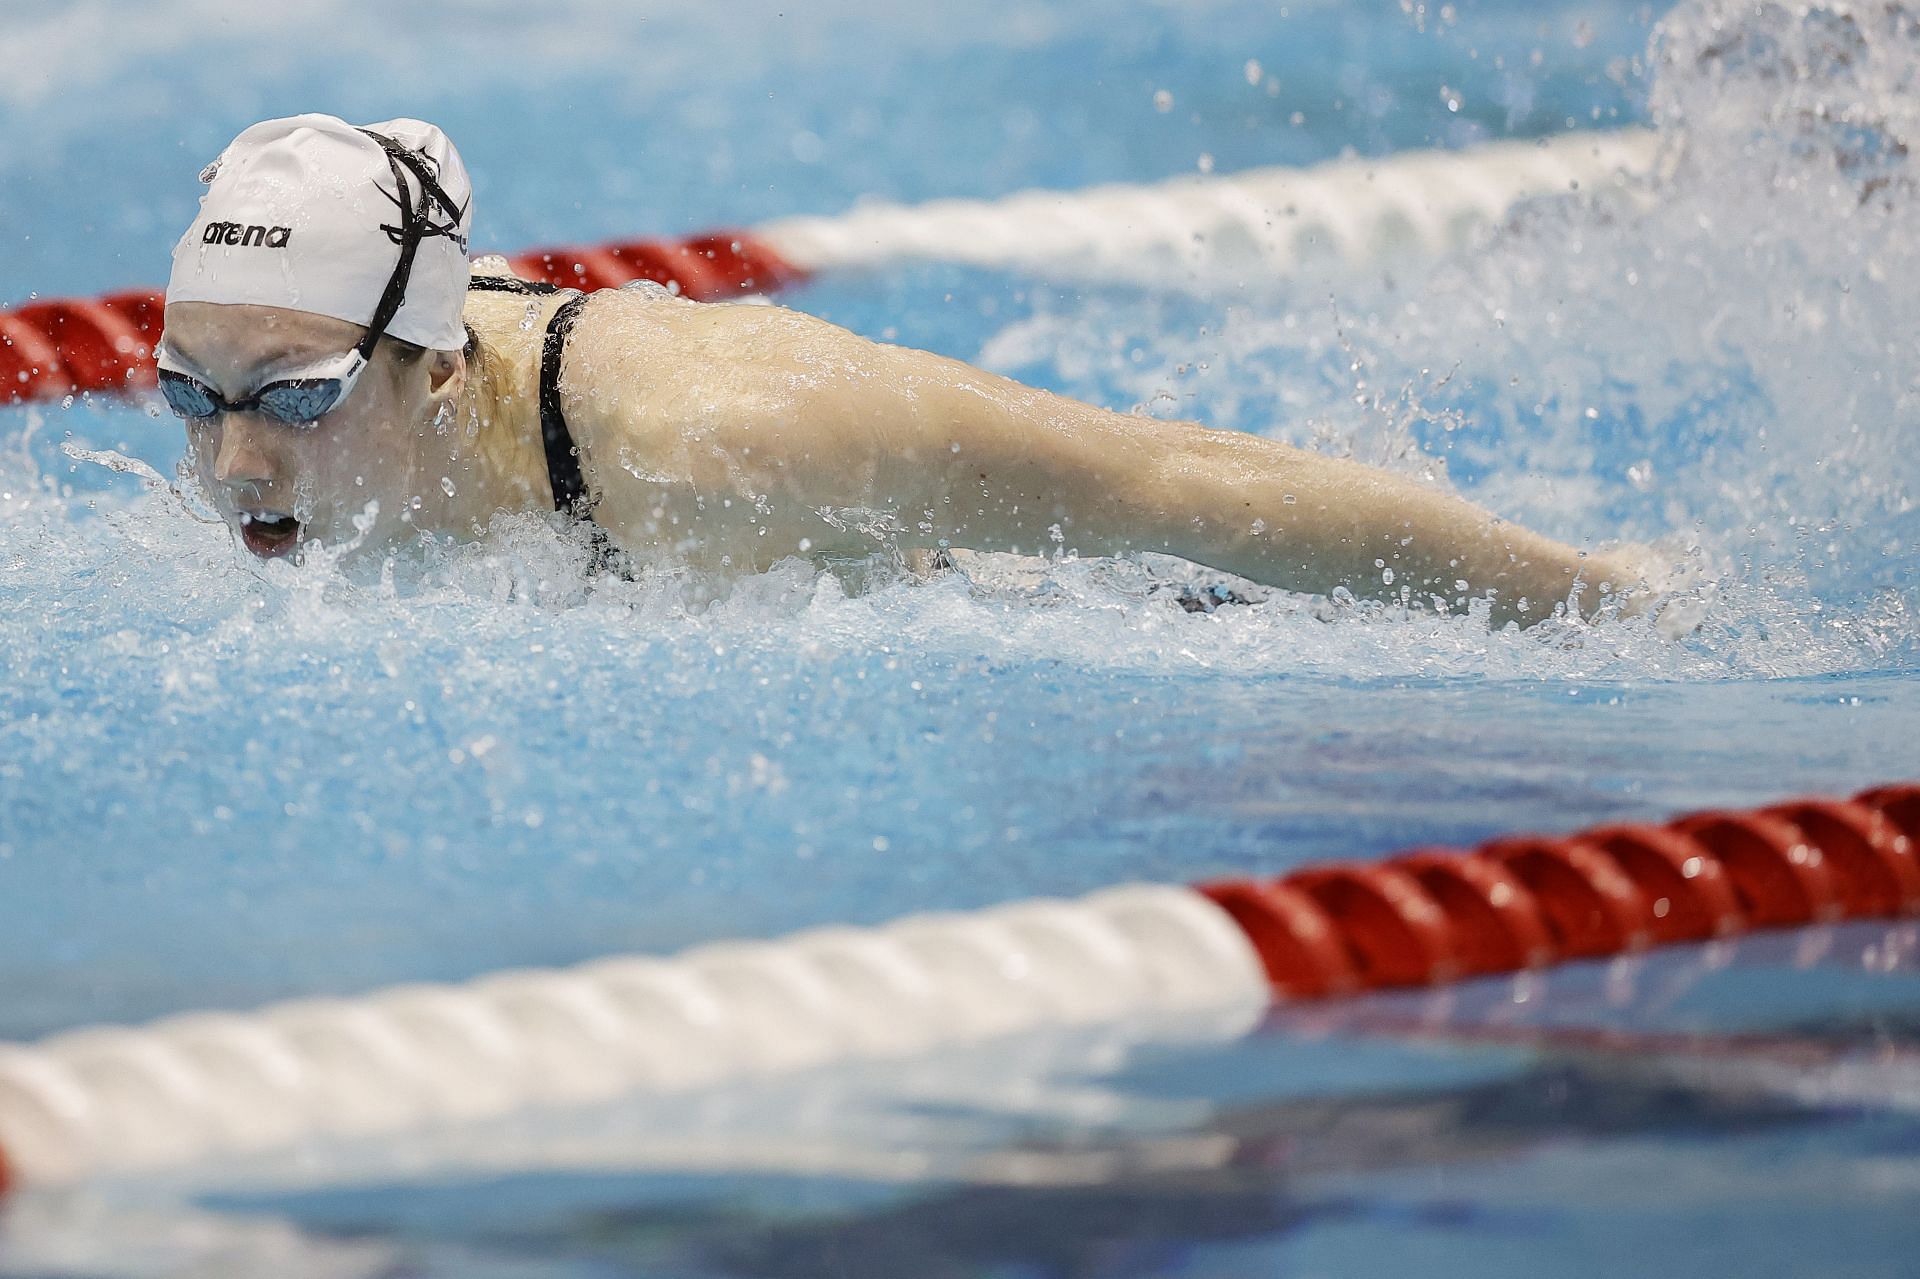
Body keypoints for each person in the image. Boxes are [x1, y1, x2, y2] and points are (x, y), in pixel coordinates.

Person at [160, 114, 1665, 629]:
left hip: (1107, 594)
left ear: (434, 371)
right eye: (189, 396)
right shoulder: (351, 407)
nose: (234, 468)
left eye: (294, 402)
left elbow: (1178, 486)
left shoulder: (721, 437)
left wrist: (1604, 604)